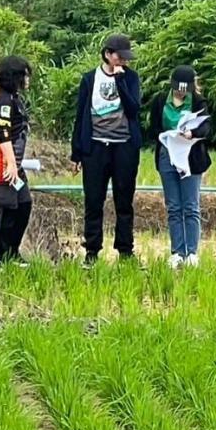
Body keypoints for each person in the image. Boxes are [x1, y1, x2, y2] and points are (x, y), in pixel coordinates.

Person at [70, 33, 142, 264]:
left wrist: (120, 81)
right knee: (93, 200)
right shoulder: (89, 79)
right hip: (96, 147)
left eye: (126, 58)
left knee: (124, 200)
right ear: (108, 54)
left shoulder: (131, 78)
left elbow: (133, 110)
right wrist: (77, 152)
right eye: (120, 57)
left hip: (124, 147)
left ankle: (125, 250)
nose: (124, 61)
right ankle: (92, 251)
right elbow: (81, 115)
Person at [146, 65, 212, 268]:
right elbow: (153, 127)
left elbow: (206, 126)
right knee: (174, 207)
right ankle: (177, 252)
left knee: (190, 206)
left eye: (185, 89)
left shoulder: (199, 102)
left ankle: (192, 253)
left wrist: (192, 134)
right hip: (167, 154)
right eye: (178, 89)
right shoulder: (159, 100)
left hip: (190, 157)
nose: (181, 92)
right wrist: (167, 136)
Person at [0, 56, 34, 267]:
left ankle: (12, 251)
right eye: (24, 75)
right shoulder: (2, 100)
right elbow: (3, 134)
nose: (27, 80)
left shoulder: (11, 97)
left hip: (13, 161)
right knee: (5, 207)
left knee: (24, 204)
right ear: (15, 77)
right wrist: (11, 164)